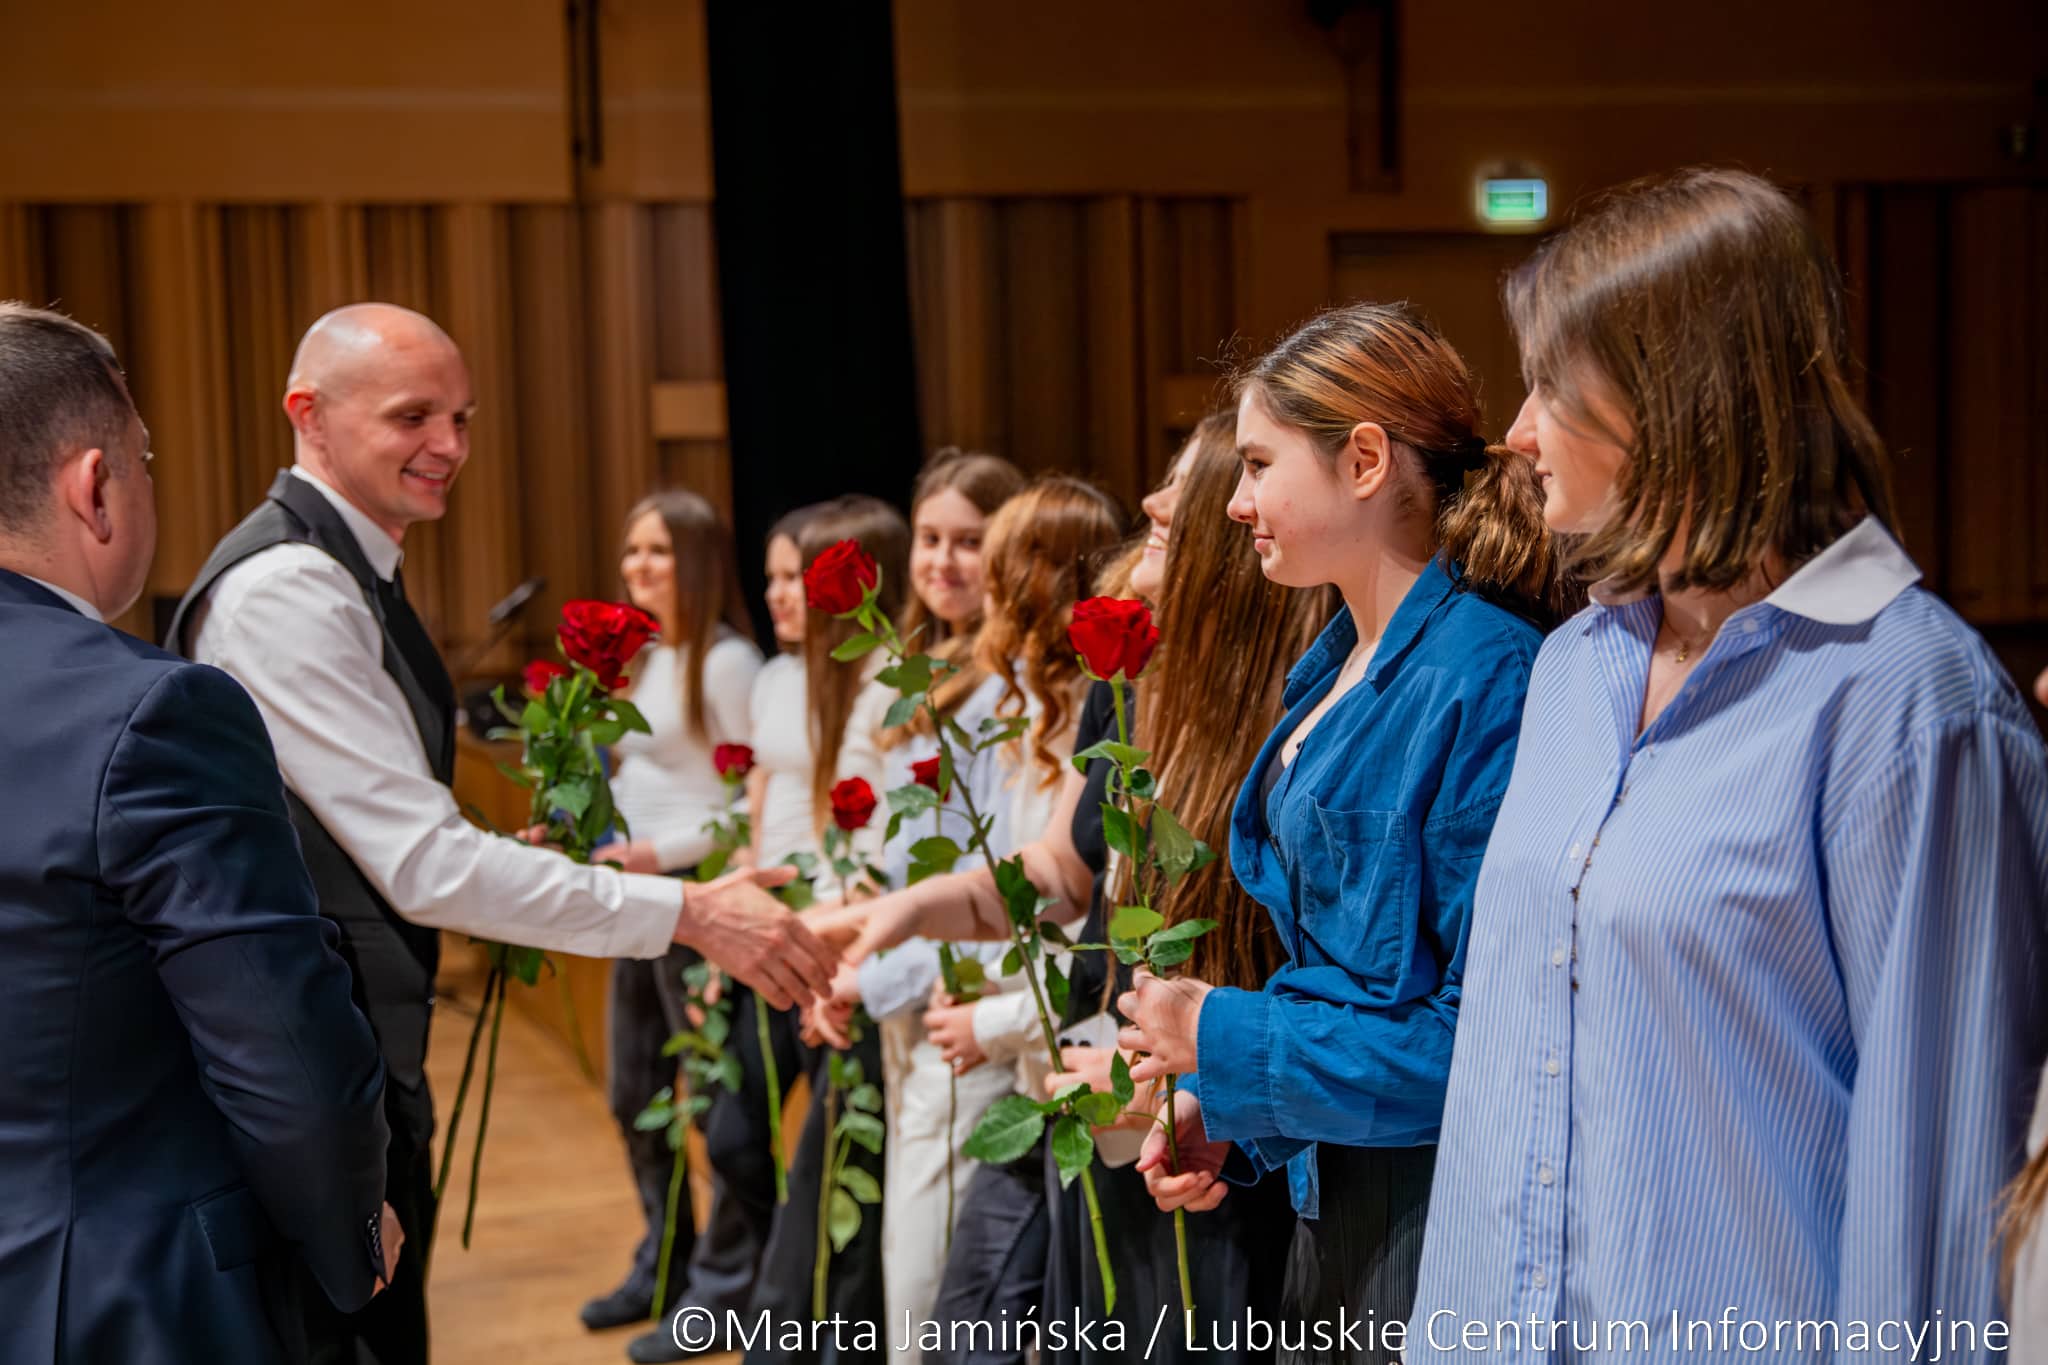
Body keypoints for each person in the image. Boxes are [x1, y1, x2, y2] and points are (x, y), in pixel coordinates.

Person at [1407, 168, 2048, 1361]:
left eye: (1552, 383)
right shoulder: (1570, 669)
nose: (1516, 430)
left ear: (1671, 397)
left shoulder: (1907, 701)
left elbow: (1935, 1201)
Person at [167, 302, 833, 1365]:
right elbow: (423, 865)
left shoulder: (340, 568)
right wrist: (693, 912)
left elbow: (384, 831)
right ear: (310, 415)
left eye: (463, 418)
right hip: (317, 1070)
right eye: (413, 416)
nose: (450, 447)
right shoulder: (288, 587)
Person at [1117, 302, 1557, 1364]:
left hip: (1434, 1212)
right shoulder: (1329, 670)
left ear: (1363, 459)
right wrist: (1237, 1113)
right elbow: (1351, 988)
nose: (1234, 502)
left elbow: (1477, 1044)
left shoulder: (1482, 677)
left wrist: (1224, 1038)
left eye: (1259, 464)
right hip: (1339, 1190)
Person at [0, 301, 396, 1364]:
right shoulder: (154, 714)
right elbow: (276, 1037)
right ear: (95, 487)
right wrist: (350, 1227)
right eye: (144, 460)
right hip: (120, 1298)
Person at [1039, 413, 1333, 1364]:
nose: (1153, 504)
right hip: (1138, 1116)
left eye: (1189, 485)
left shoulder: (1283, 728)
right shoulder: (1143, 692)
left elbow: (1293, 992)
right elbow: (1082, 886)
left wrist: (1176, 1095)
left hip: (1220, 1160)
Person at [823, 475, 1126, 1365]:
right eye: (939, 542)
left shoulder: (1081, 705)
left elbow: (1077, 906)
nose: (980, 579)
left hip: (1022, 1027)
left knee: (960, 1301)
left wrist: (990, 1016)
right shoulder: (978, 689)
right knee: (938, 1295)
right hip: (950, 995)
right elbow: (962, 864)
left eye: (997, 556)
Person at [836, 450, 1027, 1353]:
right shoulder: (915, 664)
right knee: (913, 1262)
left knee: (930, 1275)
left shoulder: (1009, 681)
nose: (944, 561)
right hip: (907, 987)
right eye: (929, 539)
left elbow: (1004, 867)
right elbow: (902, 856)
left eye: (969, 542)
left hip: (964, 996)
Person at [582, 490, 765, 1333]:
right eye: (631, 553)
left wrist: (655, 854)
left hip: (699, 903)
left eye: (655, 552)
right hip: (638, 904)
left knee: (716, 1107)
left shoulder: (727, 663)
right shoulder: (647, 657)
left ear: (693, 561)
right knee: (634, 1091)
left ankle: (726, 1284)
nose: (636, 568)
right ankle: (664, 1261)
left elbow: (748, 803)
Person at [741, 494, 911, 1365]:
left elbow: (889, 851)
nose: (789, 595)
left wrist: (838, 952)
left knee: (838, 1166)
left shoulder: (889, 683)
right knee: (814, 1160)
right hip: (828, 939)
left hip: (866, 954)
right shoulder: (821, 680)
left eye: (803, 577)